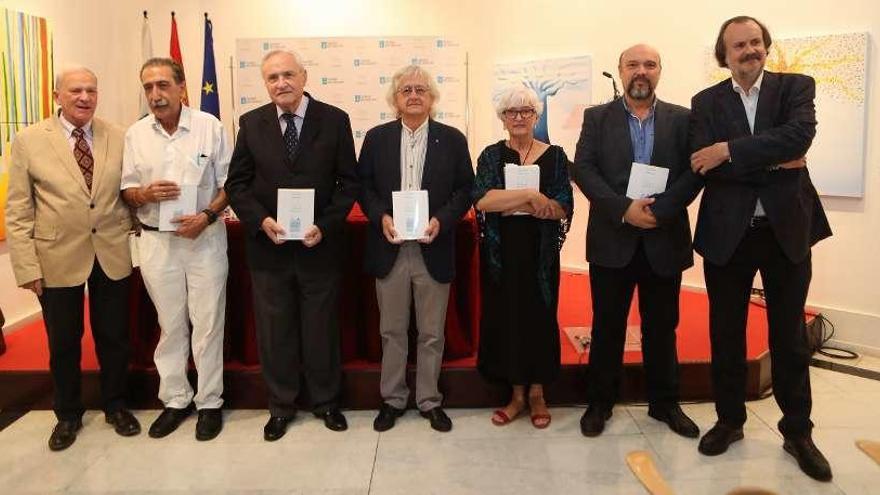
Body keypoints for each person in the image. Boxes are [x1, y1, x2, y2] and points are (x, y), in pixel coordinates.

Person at [690, 16, 833, 482]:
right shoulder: (705, 102)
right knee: (725, 333)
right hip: (728, 234)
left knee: (788, 336)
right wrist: (776, 162)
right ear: (724, 55)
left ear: (765, 46)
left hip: (784, 230)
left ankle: (798, 432)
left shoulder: (795, 87)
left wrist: (728, 150)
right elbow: (702, 164)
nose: (748, 51)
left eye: (755, 42)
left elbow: (799, 137)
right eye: (738, 46)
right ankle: (729, 421)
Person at [225, 50, 359, 441]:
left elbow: (347, 183)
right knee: (274, 330)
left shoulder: (334, 120)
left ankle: (326, 402)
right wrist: (261, 221)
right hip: (270, 249)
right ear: (265, 84)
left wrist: (325, 225)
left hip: (320, 246)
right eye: (272, 78)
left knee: (321, 328)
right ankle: (281, 405)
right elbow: (237, 184)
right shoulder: (251, 124)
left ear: (303, 76)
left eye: (287, 75)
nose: (280, 83)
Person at [5, 66, 141, 450]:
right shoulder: (29, 140)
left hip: (111, 252)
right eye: (76, 90)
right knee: (64, 341)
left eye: (91, 90)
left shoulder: (118, 135)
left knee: (114, 337)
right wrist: (27, 267)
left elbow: (127, 192)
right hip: (55, 257)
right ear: (57, 96)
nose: (85, 97)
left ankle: (116, 406)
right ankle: (67, 415)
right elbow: (17, 209)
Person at [571, 44, 700, 439]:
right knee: (607, 326)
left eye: (649, 64)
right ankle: (600, 402)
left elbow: (695, 172)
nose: (640, 71)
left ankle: (665, 403)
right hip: (614, 237)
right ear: (621, 71)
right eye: (632, 65)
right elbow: (585, 170)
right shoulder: (597, 117)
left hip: (665, 237)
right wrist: (624, 209)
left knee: (663, 327)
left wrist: (661, 211)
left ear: (660, 70)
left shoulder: (683, 119)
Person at [358, 65, 474, 433]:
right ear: (395, 98)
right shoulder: (376, 139)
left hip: (432, 246)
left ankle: (428, 400)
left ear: (432, 98)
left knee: (431, 332)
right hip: (390, 245)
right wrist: (381, 218)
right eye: (406, 89)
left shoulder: (452, 139)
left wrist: (442, 219)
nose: (413, 95)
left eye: (421, 89)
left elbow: (464, 189)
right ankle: (392, 399)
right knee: (391, 330)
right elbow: (363, 188)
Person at [121, 57, 230, 441]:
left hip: (204, 239)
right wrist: (144, 193)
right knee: (170, 326)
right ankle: (175, 399)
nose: (155, 94)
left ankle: (210, 402)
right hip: (155, 241)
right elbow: (127, 190)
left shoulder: (209, 126)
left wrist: (206, 216)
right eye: (148, 87)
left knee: (208, 322)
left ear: (181, 87)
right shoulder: (136, 134)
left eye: (163, 85)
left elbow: (230, 183)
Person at [472, 86, 572, 429]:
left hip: (541, 254)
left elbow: (561, 206)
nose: (518, 117)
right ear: (502, 118)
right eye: (511, 112)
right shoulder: (490, 155)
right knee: (509, 318)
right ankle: (516, 395)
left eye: (526, 111)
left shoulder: (556, 156)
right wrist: (530, 196)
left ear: (536, 117)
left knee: (541, 318)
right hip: (503, 253)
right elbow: (483, 200)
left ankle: (538, 393)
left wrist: (519, 201)